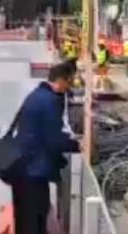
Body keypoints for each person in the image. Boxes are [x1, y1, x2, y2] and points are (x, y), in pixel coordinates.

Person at [13, 60, 80, 234]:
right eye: (70, 82)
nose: (69, 87)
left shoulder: (37, 95)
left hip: (24, 169)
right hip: (33, 172)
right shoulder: (49, 102)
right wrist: (78, 145)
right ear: (61, 80)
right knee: (35, 221)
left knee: (27, 220)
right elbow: (54, 140)